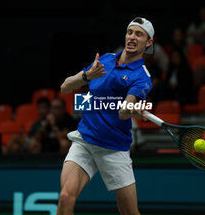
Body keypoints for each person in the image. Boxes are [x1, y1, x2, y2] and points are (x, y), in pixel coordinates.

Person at [57, 17, 154, 215]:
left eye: (139, 34)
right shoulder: (105, 60)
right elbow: (65, 87)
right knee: (66, 197)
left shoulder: (142, 77)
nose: (132, 37)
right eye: (130, 32)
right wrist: (86, 76)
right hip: (85, 140)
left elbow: (124, 110)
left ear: (149, 42)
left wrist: (130, 109)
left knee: (130, 212)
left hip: (113, 148)